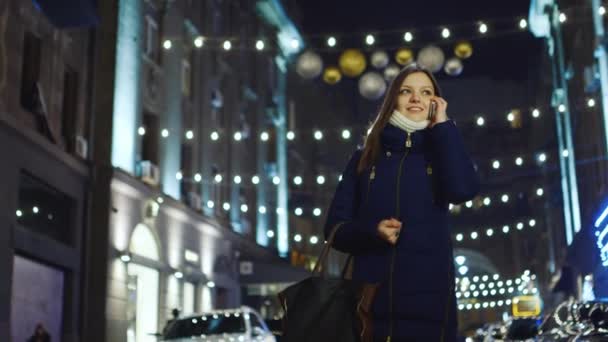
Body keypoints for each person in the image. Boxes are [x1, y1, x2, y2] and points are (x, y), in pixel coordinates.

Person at [324, 64, 479, 342]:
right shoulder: (365, 158)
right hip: (371, 306)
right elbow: (335, 228)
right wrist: (372, 232)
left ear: (436, 102)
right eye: (406, 91)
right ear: (393, 98)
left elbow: (463, 190)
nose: (415, 98)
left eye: (425, 92)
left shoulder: (441, 153)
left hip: (431, 307)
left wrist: (443, 126)